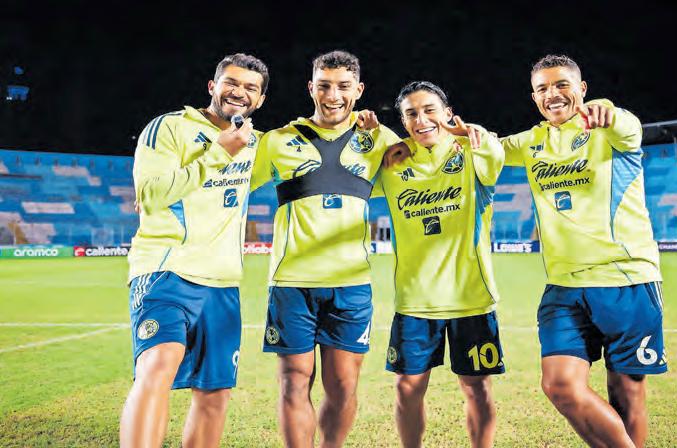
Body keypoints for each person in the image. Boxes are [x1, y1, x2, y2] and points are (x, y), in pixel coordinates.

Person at [500, 54, 667, 448]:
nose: (552, 94)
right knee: (559, 385)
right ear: (534, 97)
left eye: (562, 85)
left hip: (627, 278)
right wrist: (455, 131)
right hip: (564, 286)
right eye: (542, 88)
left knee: (627, 394)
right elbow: (487, 147)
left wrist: (608, 112)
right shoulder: (531, 141)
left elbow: (627, 125)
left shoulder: (611, 128)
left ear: (582, 89)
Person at [250, 50, 400, 447]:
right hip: (291, 282)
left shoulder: (380, 139)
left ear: (359, 90)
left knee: (343, 386)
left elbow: (425, 171)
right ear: (311, 88)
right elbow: (231, 182)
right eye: (324, 86)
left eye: (343, 87)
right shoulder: (278, 141)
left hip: (351, 283)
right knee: (293, 381)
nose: (333, 96)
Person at [120, 53, 268, 448]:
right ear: (212, 86)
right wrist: (220, 152)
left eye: (250, 87)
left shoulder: (255, 142)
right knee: (157, 368)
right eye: (231, 82)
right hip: (167, 270)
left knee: (215, 394)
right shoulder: (169, 127)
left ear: (260, 99)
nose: (239, 92)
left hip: (223, 282)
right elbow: (150, 195)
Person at [374, 81, 506, 448]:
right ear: (403, 122)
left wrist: (473, 133)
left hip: (471, 297)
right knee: (407, 387)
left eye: (429, 110)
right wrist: (384, 137)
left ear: (448, 113)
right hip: (415, 300)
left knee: (477, 388)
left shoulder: (472, 151)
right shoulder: (393, 162)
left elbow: (494, 153)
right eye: (411, 114)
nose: (421, 120)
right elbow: (358, 156)